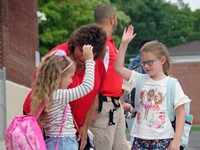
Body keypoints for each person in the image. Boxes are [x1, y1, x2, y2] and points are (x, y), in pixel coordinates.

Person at [23, 24, 107, 150]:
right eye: (81, 51)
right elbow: (87, 87)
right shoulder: (59, 89)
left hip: (59, 137)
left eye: (90, 54)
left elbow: (93, 93)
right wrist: (90, 61)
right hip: (62, 141)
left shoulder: (54, 93)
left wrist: (84, 125)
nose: (84, 57)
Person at [114, 25, 191, 150]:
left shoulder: (172, 84)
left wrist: (176, 141)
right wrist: (123, 44)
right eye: (143, 62)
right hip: (139, 139)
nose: (146, 66)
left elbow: (181, 113)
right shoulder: (139, 79)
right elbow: (118, 68)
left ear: (162, 60)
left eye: (150, 62)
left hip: (163, 139)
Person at [30, 46, 94, 150]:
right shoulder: (59, 95)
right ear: (59, 77)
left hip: (53, 142)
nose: (71, 81)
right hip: (64, 143)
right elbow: (87, 87)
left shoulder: (46, 94)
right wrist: (90, 61)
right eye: (69, 77)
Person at [89, 3, 132, 150]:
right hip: (102, 106)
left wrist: (120, 102)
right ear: (112, 19)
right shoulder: (99, 44)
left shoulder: (109, 43)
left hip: (114, 106)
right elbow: (93, 76)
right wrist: (94, 107)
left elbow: (113, 77)